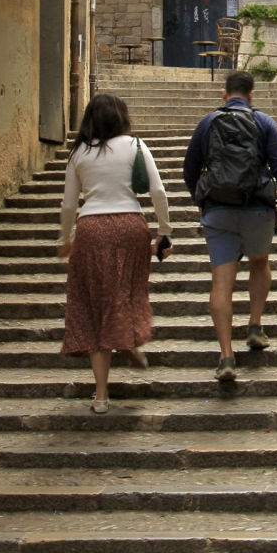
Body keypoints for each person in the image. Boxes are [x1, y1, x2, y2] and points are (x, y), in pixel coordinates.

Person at [183, 71, 277, 382]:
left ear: (224, 94)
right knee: (260, 262)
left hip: (218, 210)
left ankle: (226, 357)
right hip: (257, 208)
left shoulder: (207, 123)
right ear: (251, 96)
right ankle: (254, 326)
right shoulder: (264, 123)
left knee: (221, 282)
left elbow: (189, 168)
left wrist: (203, 200)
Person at [57, 92, 172, 415]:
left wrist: (65, 238)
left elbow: (68, 203)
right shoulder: (136, 146)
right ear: (122, 117)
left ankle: (101, 395)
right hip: (130, 224)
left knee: (94, 305)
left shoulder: (79, 151)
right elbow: (158, 191)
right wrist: (165, 231)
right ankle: (130, 339)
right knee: (130, 291)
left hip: (91, 228)